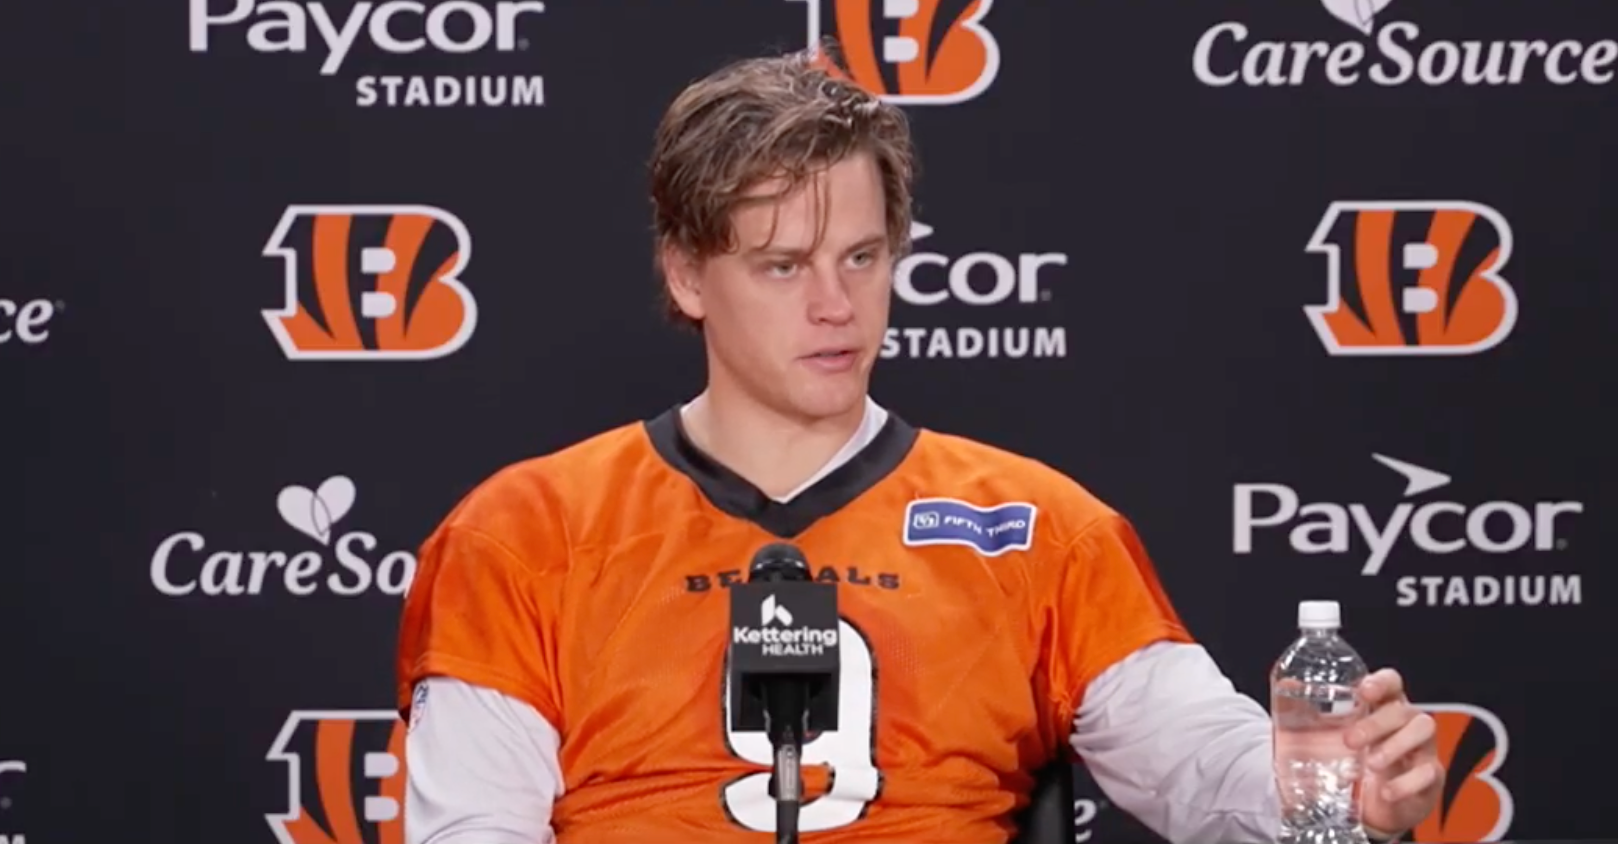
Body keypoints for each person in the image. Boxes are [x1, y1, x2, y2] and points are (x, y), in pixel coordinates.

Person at [394, 45, 1445, 844]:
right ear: (684, 274)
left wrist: (1336, 790)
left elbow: (1201, 763)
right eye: (781, 265)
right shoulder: (523, 533)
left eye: (861, 256)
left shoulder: (1041, 526)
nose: (834, 305)